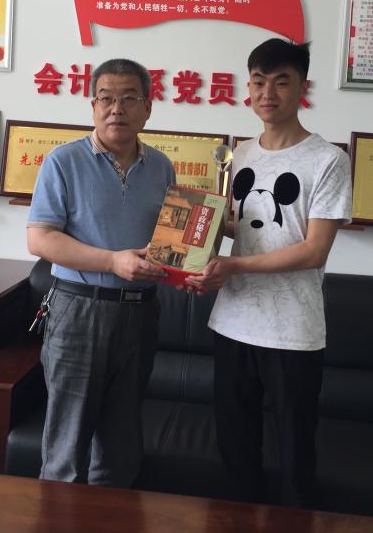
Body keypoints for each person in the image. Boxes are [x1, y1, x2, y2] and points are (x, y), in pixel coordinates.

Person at [187, 38, 352, 508]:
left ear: (303, 88)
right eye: (259, 82)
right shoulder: (237, 156)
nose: (267, 93)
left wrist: (233, 264)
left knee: (294, 455)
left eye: (281, 82)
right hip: (233, 322)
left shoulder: (328, 160)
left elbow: (314, 250)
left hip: (293, 331)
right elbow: (235, 227)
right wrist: (192, 251)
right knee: (235, 450)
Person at [27, 58, 175, 487]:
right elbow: (40, 240)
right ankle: (56, 517)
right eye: (106, 99)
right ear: (93, 106)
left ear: (148, 108)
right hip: (80, 312)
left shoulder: (161, 167)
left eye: (129, 99)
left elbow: (170, 243)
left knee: (121, 447)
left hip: (141, 313)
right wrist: (113, 261)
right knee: (67, 451)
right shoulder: (63, 161)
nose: (117, 109)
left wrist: (196, 257)